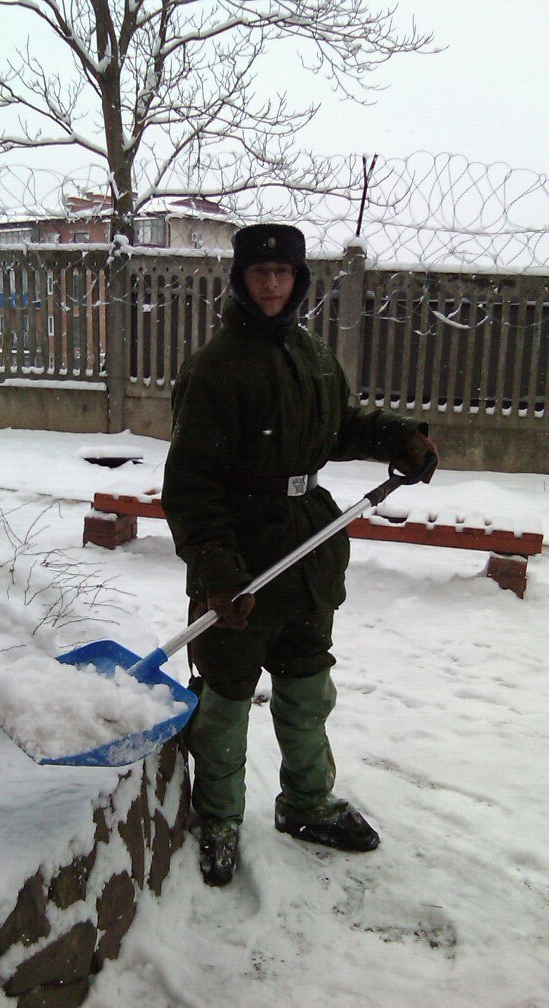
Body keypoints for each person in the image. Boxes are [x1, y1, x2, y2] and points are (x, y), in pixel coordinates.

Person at [161, 224, 437, 886]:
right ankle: (218, 815)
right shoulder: (216, 367)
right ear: (241, 279)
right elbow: (192, 486)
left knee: (308, 682)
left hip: (308, 548)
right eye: (260, 273)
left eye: (283, 272)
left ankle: (307, 801)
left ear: (298, 279)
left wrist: (400, 437)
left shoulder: (312, 357)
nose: (272, 283)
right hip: (243, 552)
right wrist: (218, 573)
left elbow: (340, 427)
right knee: (226, 692)